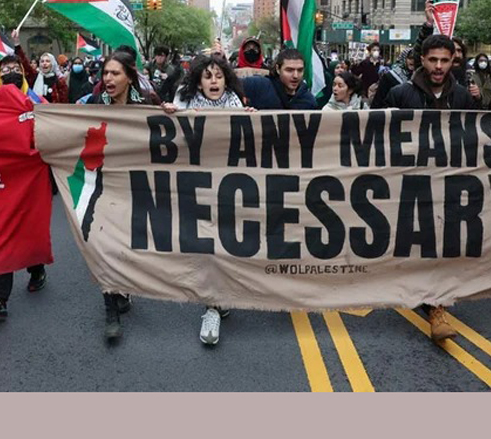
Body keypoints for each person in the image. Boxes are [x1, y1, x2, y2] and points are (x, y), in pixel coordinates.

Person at [385, 35, 481, 343]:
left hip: (449, 184)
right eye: (433, 60)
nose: (438, 66)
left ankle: (437, 306)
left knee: (442, 243)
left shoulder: (464, 97)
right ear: (422, 60)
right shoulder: (399, 93)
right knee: (413, 242)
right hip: (408, 182)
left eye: (445, 60)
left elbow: (485, 131)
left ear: (454, 60)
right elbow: (371, 132)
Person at [161, 54, 248, 345]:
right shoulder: (183, 100)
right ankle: (212, 304)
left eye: (219, 76)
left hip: (227, 184)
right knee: (205, 245)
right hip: (195, 184)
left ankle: (216, 299)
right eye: (208, 76)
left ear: (226, 80)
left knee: (224, 242)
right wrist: (169, 114)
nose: (214, 81)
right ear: (199, 80)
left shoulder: (235, 101)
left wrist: (255, 120)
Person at [85, 51, 156, 340]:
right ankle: (110, 311)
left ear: (129, 76)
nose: (108, 79)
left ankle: (123, 289)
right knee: (104, 245)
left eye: (115, 73)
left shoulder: (147, 104)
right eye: (105, 74)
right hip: (104, 184)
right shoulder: (93, 104)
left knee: (127, 245)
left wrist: (170, 113)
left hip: (136, 185)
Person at [0, 55, 50, 318]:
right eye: (4, 68)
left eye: (15, 68)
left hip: (30, 181)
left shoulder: (38, 102)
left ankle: (36, 268)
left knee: (26, 231)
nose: (10, 71)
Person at [242, 48, 318, 110]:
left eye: (300, 70)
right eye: (289, 70)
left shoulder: (308, 101)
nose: (295, 76)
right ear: (278, 69)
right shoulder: (257, 86)